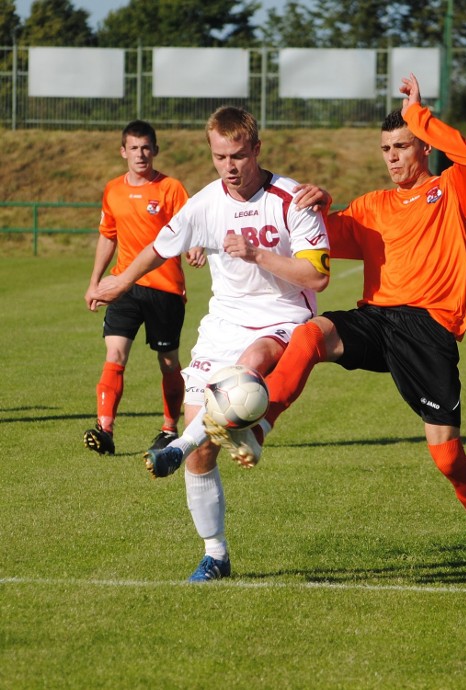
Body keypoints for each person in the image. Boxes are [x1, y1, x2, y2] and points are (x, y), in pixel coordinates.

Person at [207, 73, 466, 584]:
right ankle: (259, 427)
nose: (392, 157)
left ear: (424, 148)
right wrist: (313, 207)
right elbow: (317, 239)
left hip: (429, 328)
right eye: (385, 148)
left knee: (447, 457)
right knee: (310, 334)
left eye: (402, 146)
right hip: (376, 317)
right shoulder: (373, 206)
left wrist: (419, 114)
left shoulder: (450, 192)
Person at [87, 106, 330, 582]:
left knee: (248, 367)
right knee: (205, 453)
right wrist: (119, 282)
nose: (229, 166)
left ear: (256, 149)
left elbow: (318, 276)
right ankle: (215, 555)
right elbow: (160, 246)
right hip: (223, 324)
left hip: (280, 319)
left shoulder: (291, 199)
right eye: (220, 156)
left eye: (238, 155)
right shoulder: (203, 203)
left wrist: (258, 253)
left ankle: (177, 446)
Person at [83, 120, 204, 457]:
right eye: (134, 148)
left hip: (164, 289)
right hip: (124, 287)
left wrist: (194, 247)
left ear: (155, 150)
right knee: (115, 355)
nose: (140, 154)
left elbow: (192, 226)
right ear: (123, 152)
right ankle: (105, 429)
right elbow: (108, 235)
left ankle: (168, 429)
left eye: (146, 147)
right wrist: (95, 283)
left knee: (168, 363)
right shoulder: (113, 190)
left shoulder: (171, 188)